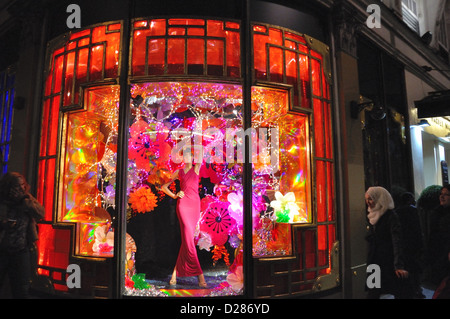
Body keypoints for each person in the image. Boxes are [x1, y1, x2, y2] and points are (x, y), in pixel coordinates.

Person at [161, 148, 206, 288]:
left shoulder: (196, 168)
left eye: (190, 155)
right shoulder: (179, 172)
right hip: (183, 205)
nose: (188, 158)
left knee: (188, 240)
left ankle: (175, 273)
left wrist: (198, 134)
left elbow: (202, 151)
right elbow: (164, 187)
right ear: (182, 157)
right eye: (185, 155)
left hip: (194, 205)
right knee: (188, 238)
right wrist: (175, 195)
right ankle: (200, 276)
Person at [0, 172, 45, 298]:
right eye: (16, 187)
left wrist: (24, 200)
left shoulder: (26, 199)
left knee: (22, 289)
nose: (20, 189)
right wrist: (3, 224)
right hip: (2, 249)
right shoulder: (3, 201)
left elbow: (41, 213)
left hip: (21, 249)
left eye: (22, 186)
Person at [365, 186, 409, 298]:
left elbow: (397, 240)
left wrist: (398, 265)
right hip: (374, 262)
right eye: (367, 199)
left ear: (380, 199)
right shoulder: (371, 216)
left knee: (391, 291)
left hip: (387, 262)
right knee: (373, 292)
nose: (368, 202)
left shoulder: (390, 216)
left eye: (371, 199)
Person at [395, 192, 425, 298]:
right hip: (413, 245)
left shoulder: (397, 212)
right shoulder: (414, 211)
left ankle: (409, 289)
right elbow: (418, 229)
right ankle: (416, 289)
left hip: (403, 245)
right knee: (415, 269)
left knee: (407, 268)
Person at [425, 184, 450, 289]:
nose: (442, 197)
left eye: (446, 194)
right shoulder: (435, 212)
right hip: (437, 253)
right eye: (441, 194)